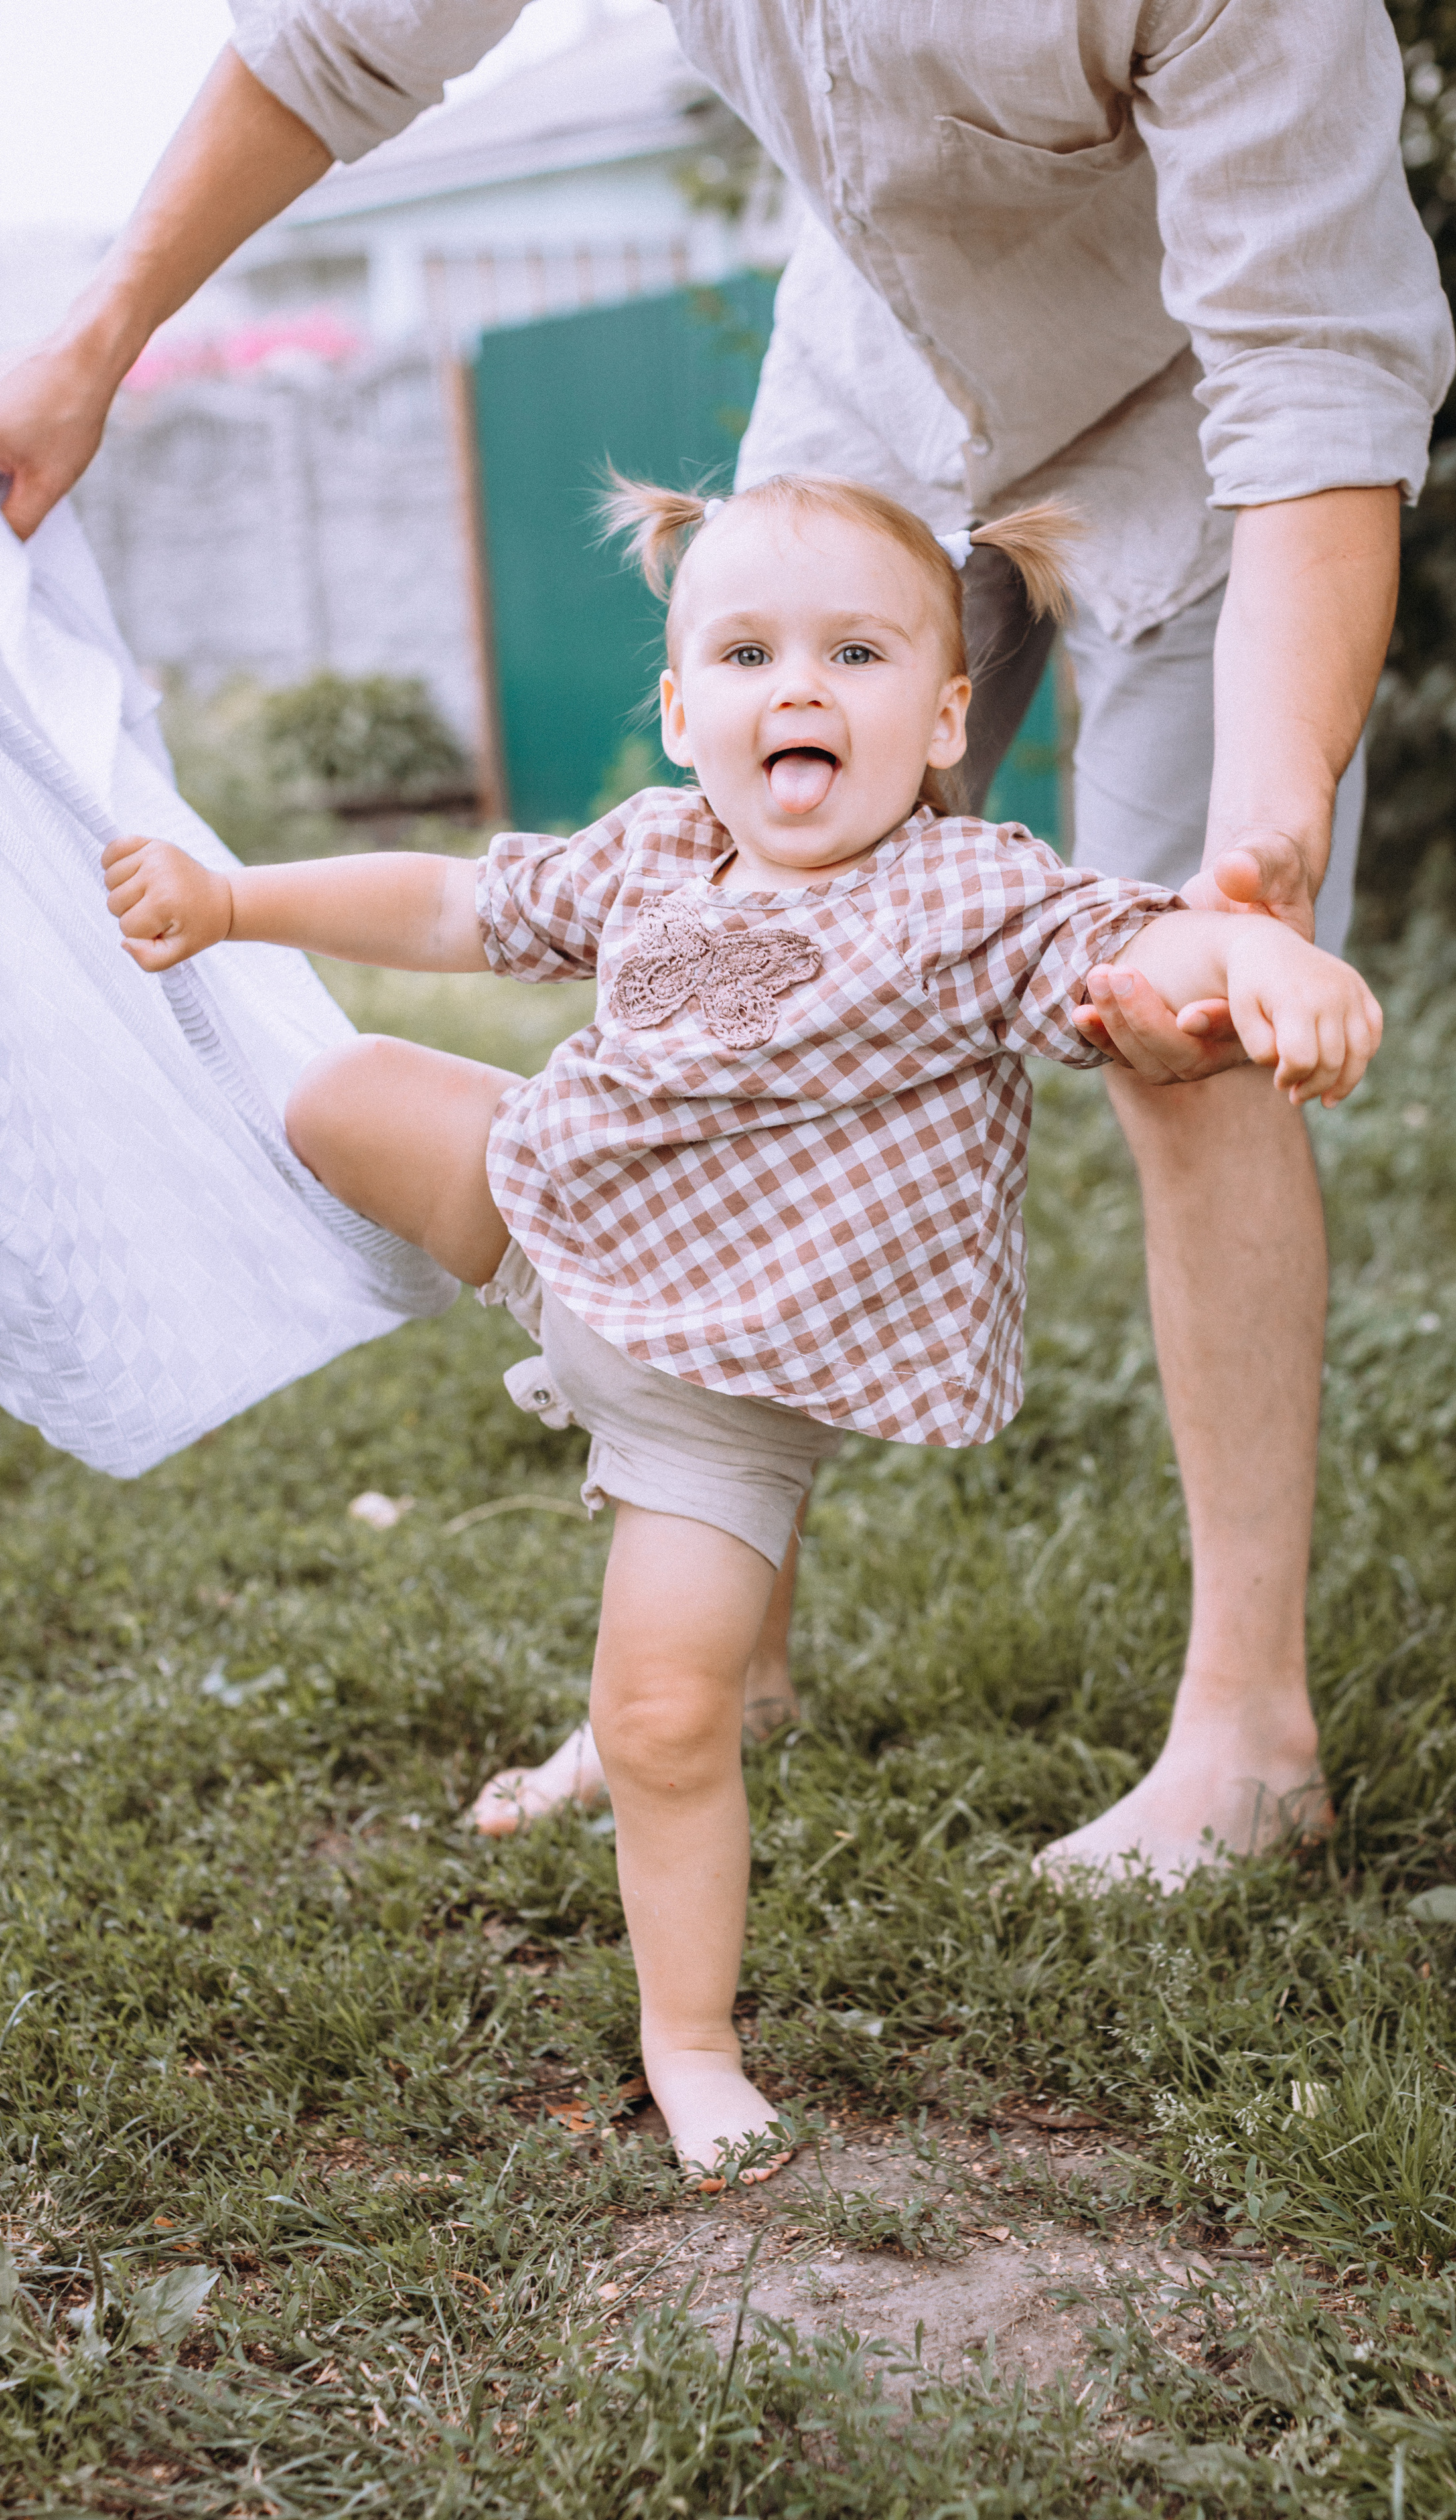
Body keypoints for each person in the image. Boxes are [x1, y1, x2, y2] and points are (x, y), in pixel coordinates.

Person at [0, 1, 1454, 1886]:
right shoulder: (674, 800)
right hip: (887, 346)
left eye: (847, 675)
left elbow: (1315, 389)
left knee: (1191, 1032)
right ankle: (717, 1644)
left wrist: (1250, 862)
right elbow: (352, 38)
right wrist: (101, 333)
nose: (785, 693)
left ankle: (1247, 1729)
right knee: (733, 905)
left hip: (1208, 392)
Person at [100, 473, 1382, 2182]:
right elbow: (451, 907)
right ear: (681, 709)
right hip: (565, 1230)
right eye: (749, 651)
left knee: (657, 1718)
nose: (798, 688)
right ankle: (527, 1317)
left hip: (722, 1402)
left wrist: (1246, 961)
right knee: (337, 1093)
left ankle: (687, 2042)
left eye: (853, 654)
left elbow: (1134, 946)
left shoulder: (962, 898)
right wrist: (238, 900)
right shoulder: (652, 851)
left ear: (940, 719)